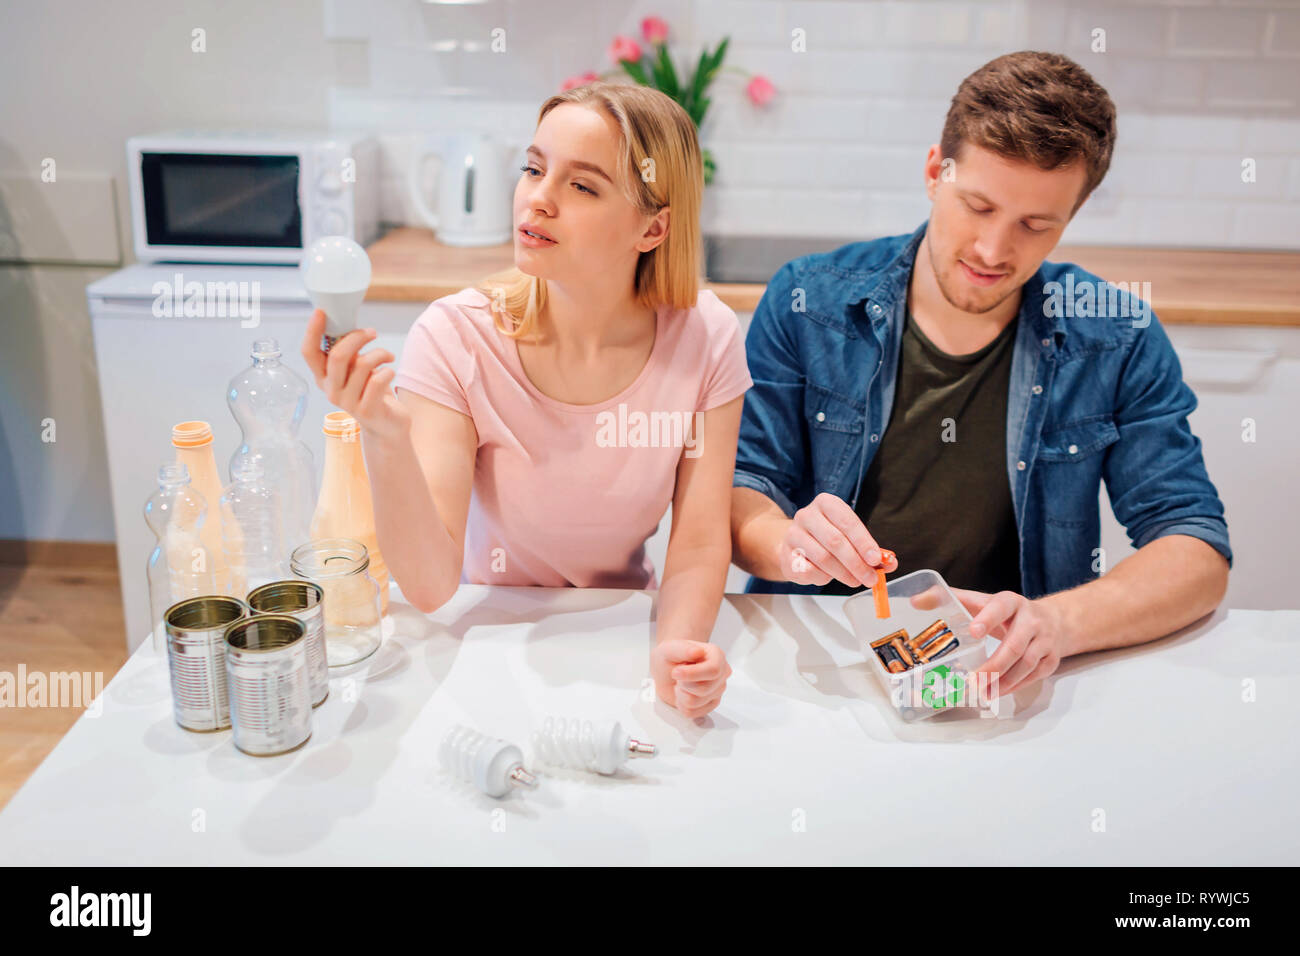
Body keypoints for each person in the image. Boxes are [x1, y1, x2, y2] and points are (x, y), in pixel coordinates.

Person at [729, 51, 1231, 699]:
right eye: (978, 206)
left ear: (1072, 217)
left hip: (1008, 678)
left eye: (1035, 225)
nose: (994, 252)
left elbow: (1195, 548)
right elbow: (742, 496)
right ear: (935, 172)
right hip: (818, 662)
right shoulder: (807, 301)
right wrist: (791, 544)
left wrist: (1060, 621)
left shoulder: (1117, 335)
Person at [302, 82, 752, 719]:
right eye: (535, 169)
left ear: (653, 228)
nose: (538, 198)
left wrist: (679, 648)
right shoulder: (456, 337)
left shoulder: (705, 336)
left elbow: (702, 543)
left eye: (583, 186)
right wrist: (384, 433)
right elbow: (429, 585)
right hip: (487, 637)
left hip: (621, 632)